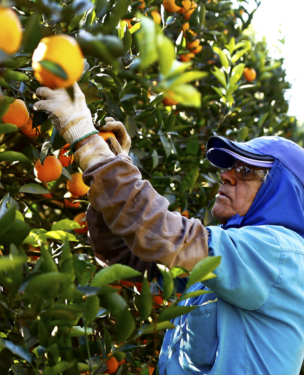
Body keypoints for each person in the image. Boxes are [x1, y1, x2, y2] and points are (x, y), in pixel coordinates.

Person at [33, 84, 304, 374]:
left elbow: (160, 229)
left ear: (281, 190)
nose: (225, 175)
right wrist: (114, 168)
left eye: (246, 171)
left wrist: (84, 136)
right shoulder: (230, 265)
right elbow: (126, 254)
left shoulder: (278, 253)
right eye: (230, 167)